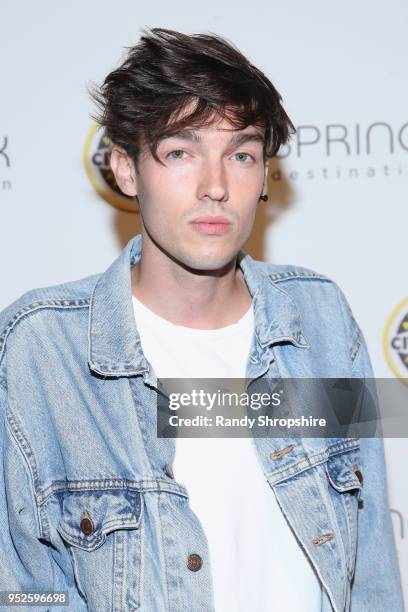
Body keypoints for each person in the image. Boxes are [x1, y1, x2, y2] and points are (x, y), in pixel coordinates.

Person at [0, 27, 403, 612]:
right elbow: (22, 589)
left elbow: (369, 572)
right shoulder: (41, 348)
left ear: (265, 176)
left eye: (240, 154)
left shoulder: (319, 321)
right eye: (181, 152)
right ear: (127, 170)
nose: (215, 186)